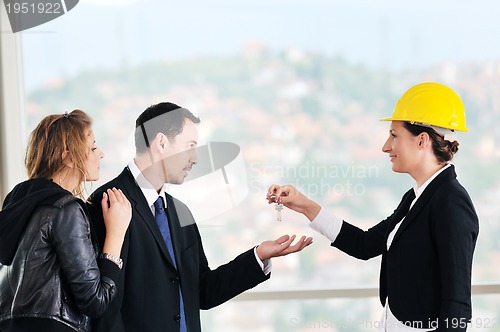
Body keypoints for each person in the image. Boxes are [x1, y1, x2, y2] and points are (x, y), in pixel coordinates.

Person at [267, 82, 479, 331]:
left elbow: (458, 304)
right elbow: (365, 244)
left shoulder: (451, 203)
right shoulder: (415, 198)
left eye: (394, 135)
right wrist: (304, 205)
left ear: (421, 140)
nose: (386, 146)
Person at [86, 102, 313, 332]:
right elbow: (103, 307)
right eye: (190, 146)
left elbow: (202, 290)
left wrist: (258, 256)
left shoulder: (179, 212)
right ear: (162, 143)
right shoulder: (106, 203)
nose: (195, 158)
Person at [0, 110, 132, 332]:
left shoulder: (17, 204)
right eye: (92, 147)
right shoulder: (65, 209)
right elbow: (94, 301)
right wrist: (116, 234)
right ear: (69, 157)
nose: (101, 154)